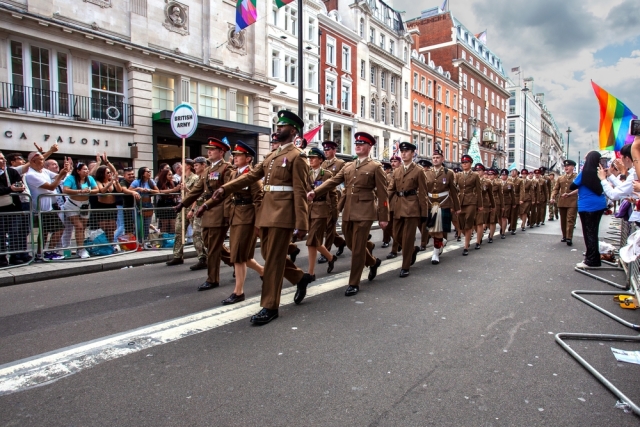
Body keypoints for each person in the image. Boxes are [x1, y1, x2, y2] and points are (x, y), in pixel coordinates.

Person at [206, 111, 313, 325]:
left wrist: (302, 223)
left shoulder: (297, 156)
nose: (278, 128)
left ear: (293, 131)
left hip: (283, 214)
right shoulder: (271, 157)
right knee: (270, 255)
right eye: (277, 124)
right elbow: (251, 176)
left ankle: (269, 306)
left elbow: (301, 191)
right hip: (266, 213)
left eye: (282, 126)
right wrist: (224, 189)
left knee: (272, 261)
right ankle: (300, 278)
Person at [309, 132, 389, 295]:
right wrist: (315, 192)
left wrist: (384, 216)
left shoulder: (375, 167)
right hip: (349, 211)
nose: (358, 145)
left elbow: (383, 193)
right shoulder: (348, 166)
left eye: (361, 143)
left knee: (358, 247)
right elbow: (333, 181)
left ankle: (354, 282)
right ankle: (373, 262)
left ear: (369, 147)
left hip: (365, 211)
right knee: (352, 245)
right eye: (356, 143)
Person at [178, 138, 233, 292]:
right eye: (208, 149)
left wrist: (227, 213)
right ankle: (236, 262)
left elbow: (228, 192)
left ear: (221, 152)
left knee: (214, 248)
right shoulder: (208, 170)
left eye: (213, 149)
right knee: (209, 244)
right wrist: (183, 203)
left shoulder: (226, 169)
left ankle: (212, 279)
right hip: (207, 211)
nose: (209, 151)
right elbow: (197, 189)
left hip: (219, 211)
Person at [221, 142, 265, 305]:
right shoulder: (234, 174)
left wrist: (258, 224)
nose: (235, 157)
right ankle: (264, 272)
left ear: (248, 158)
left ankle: (238, 291)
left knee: (239, 256)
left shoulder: (252, 176)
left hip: (247, 218)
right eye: (234, 155)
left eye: (239, 155)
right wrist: (226, 215)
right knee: (240, 255)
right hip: (235, 216)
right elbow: (228, 195)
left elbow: (259, 200)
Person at [386, 142, 427, 277]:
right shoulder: (397, 170)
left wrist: (424, 213)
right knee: (397, 235)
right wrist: (382, 204)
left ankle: (405, 266)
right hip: (398, 206)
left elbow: (422, 193)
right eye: (402, 151)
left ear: (413, 153)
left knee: (408, 238)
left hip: (412, 207)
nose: (403, 154)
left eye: (407, 151)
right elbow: (390, 189)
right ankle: (412, 250)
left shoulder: (419, 170)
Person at [167, 159, 207, 269]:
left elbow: (195, 195)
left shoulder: (195, 178)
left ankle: (203, 257)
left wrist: (192, 209)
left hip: (193, 207)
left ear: (188, 166)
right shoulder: (183, 178)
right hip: (183, 207)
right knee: (179, 230)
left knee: (197, 234)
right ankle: (177, 255)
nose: (180, 166)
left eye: (183, 164)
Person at [306, 147, 338, 280]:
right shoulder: (306, 173)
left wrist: (334, 211)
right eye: (310, 158)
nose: (311, 160)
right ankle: (331, 257)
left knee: (311, 240)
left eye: (314, 158)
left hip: (322, 209)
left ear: (320, 160)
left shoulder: (327, 174)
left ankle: (311, 273)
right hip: (308, 209)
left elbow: (333, 194)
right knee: (315, 241)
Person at [571, 151, 606, 268]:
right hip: (600, 204)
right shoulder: (601, 172)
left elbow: (572, 186)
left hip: (587, 206)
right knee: (594, 232)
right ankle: (594, 256)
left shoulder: (584, 173)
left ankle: (591, 260)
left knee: (589, 233)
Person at [424, 149, 460, 264]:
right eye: (433, 158)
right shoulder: (427, 173)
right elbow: (424, 190)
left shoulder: (448, 173)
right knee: (431, 230)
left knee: (438, 229)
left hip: (443, 202)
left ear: (442, 159)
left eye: (437, 157)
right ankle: (442, 241)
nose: (435, 159)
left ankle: (435, 253)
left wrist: (457, 207)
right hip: (430, 203)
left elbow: (453, 191)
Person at [62, 162, 98, 259]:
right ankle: (81, 249)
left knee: (83, 227)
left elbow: (96, 189)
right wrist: (79, 191)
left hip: (85, 205)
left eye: (87, 169)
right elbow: (65, 189)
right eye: (84, 169)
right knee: (79, 226)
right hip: (72, 204)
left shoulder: (90, 179)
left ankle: (80, 248)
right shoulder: (71, 178)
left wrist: (89, 191)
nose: (86, 171)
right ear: (78, 171)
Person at [319, 140, 347, 261]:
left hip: (334, 197)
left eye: (328, 149)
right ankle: (340, 242)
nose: (326, 152)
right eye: (324, 150)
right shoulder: (323, 164)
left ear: (334, 151)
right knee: (325, 225)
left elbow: (345, 180)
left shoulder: (341, 163)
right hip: (322, 197)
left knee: (330, 225)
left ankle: (326, 252)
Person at [0, 151, 27, 266]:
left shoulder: (11, 172)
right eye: (0, 159)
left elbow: (19, 186)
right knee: (1, 234)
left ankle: (15, 256)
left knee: (15, 232)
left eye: (3, 158)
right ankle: (1, 258)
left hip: (14, 207)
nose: (3, 160)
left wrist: (18, 187)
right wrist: (10, 189)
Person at [456, 154, 483, 256]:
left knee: (468, 223)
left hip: (471, 201)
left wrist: (480, 204)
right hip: (460, 201)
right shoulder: (458, 175)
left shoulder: (475, 175)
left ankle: (466, 246)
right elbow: (454, 189)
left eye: (466, 162)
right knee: (460, 224)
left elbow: (479, 191)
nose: (464, 164)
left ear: (470, 164)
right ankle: (469, 235)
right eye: (463, 163)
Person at [94, 159, 122, 246]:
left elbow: (119, 190)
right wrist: (110, 183)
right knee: (104, 227)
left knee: (112, 227)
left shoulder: (112, 181)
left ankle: (111, 244)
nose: (110, 174)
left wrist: (116, 182)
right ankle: (104, 244)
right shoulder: (98, 182)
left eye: (110, 172)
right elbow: (102, 191)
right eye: (108, 173)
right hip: (102, 206)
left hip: (112, 206)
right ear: (102, 174)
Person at [550, 160, 578, 246]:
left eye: (568, 166)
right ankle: (565, 236)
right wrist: (552, 196)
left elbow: (579, 188)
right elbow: (556, 189)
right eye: (565, 166)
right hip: (562, 201)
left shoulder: (577, 177)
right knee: (563, 220)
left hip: (572, 201)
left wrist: (570, 194)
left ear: (573, 167)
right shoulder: (560, 178)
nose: (566, 167)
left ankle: (569, 237)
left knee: (570, 219)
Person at [130, 167, 160, 247]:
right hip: (138, 205)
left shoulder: (151, 182)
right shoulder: (136, 182)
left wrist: (149, 190)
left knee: (146, 225)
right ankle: (137, 241)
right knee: (139, 226)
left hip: (148, 205)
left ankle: (145, 241)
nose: (150, 173)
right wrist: (137, 189)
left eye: (150, 171)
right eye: (148, 172)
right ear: (143, 173)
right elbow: (129, 190)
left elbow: (157, 191)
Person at [155, 168, 181, 237]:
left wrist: (178, 188)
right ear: (164, 175)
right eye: (169, 175)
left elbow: (177, 191)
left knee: (173, 224)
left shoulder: (174, 182)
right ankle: (164, 240)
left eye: (171, 174)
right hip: (163, 205)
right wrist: (173, 190)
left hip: (172, 204)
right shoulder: (160, 183)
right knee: (164, 225)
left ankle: (172, 239)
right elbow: (160, 191)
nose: (171, 176)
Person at [385, 155, 402, 258]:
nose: (393, 163)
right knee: (387, 227)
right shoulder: (387, 175)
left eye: (395, 161)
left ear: (400, 162)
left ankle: (394, 250)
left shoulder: (402, 172)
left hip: (399, 202)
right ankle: (400, 242)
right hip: (389, 203)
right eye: (392, 161)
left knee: (396, 228)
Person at [474, 164, 494, 248]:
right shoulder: (471, 180)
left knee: (480, 223)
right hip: (473, 203)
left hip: (483, 204)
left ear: (483, 172)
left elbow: (490, 195)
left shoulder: (487, 182)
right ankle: (479, 234)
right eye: (476, 170)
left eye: (479, 171)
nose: (477, 172)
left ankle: (478, 241)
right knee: (473, 223)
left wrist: (492, 205)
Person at [417, 158, 433, 250]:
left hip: (427, 201)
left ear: (427, 167)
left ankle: (423, 243)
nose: (422, 168)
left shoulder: (430, 174)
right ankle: (427, 236)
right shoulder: (417, 173)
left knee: (425, 224)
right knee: (418, 222)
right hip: (417, 201)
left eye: (423, 167)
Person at [499, 169, 515, 239]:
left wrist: (513, 203)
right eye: (502, 175)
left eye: (505, 175)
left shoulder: (510, 184)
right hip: (499, 202)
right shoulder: (498, 182)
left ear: (507, 176)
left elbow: (512, 194)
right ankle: (502, 227)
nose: (503, 176)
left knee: (504, 217)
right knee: (499, 217)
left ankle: (503, 232)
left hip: (507, 202)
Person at [487, 168, 502, 243]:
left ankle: (491, 236)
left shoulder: (498, 184)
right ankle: (491, 231)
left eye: (491, 175)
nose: (490, 176)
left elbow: (501, 195)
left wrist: (502, 206)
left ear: (494, 175)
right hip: (486, 203)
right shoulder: (485, 183)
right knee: (486, 221)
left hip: (495, 203)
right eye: (489, 175)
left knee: (492, 220)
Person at [509, 169, 522, 235]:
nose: (512, 173)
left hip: (516, 198)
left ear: (517, 173)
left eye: (514, 172)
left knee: (514, 214)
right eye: (511, 171)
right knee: (508, 214)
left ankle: (513, 228)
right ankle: (510, 224)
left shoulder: (520, 180)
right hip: (508, 199)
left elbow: (522, 191)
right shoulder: (508, 180)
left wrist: (521, 199)